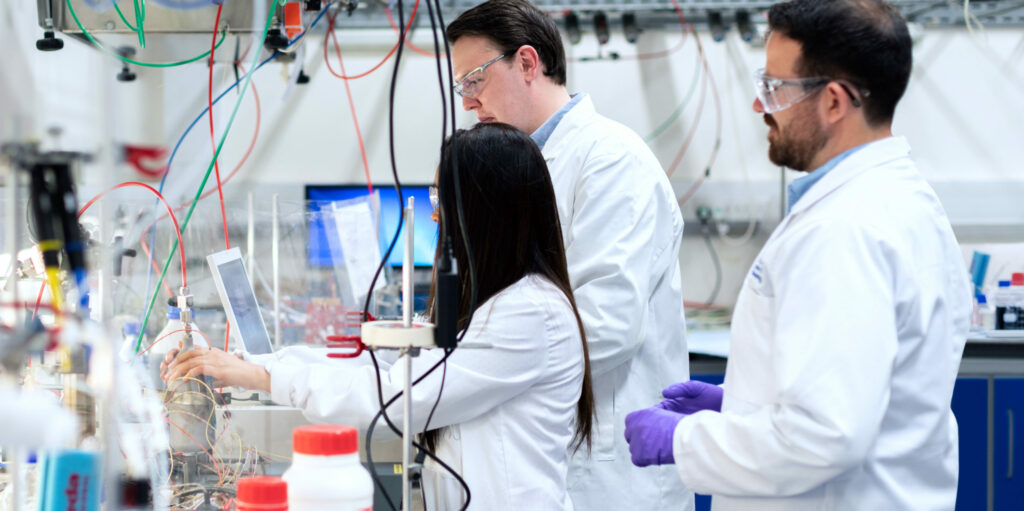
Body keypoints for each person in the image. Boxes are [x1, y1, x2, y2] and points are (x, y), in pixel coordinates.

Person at [623, 1, 972, 509]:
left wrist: (683, 440)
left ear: (833, 102)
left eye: (774, 89)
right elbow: (865, 392)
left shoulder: (845, 229)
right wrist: (741, 405)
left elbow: (824, 436)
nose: (759, 106)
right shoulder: (898, 199)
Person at [163, 123, 595, 510]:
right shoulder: (496, 301)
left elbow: (399, 397)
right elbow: (392, 364)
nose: (433, 213)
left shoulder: (529, 313)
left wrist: (264, 379)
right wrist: (254, 365)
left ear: (484, 211)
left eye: (440, 198)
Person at [446, 1, 692, 509]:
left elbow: (607, 325)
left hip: (608, 468)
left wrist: (474, 369)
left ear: (528, 63)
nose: (468, 102)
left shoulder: (610, 161)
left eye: (474, 80)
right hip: (546, 449)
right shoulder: (518, 165)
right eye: (461, 88)